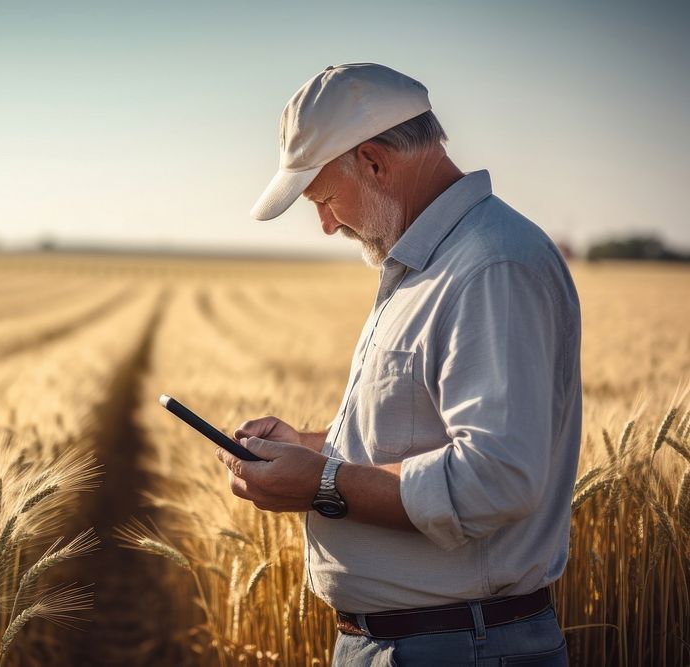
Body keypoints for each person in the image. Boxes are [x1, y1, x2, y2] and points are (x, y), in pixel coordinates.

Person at [215, 63, 581, 666]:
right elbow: (418, 436)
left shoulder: (491, 267)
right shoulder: (433, 264)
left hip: (460, 647)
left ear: (376, 161)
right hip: (428, 644)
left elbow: (496, 479)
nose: (327, 224)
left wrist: (321, 482)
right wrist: (313, 449)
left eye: (324, 198)